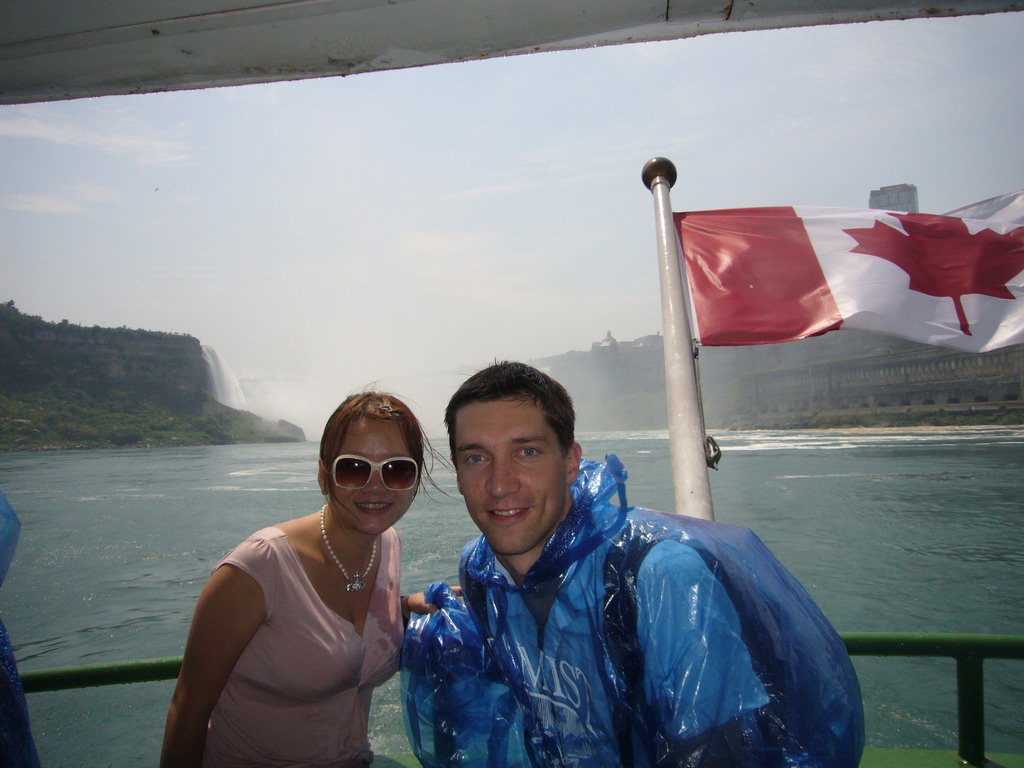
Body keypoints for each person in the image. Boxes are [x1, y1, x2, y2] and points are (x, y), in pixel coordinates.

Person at [417, 361, 862, 767]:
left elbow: (714, 754)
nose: (499, 484)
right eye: (476, 457)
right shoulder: (480, 573)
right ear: (457, 472)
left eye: (527, 451)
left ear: (571, 462)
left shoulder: (660, 577)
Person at [161, 392, 434, 768]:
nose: (376, 486)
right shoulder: (258, 568)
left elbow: (338, 628)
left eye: (397, 469)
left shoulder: (387, 545)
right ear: (324, 475)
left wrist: (403, 608)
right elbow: (187, 711)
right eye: (353, 468)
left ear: (415, 481)